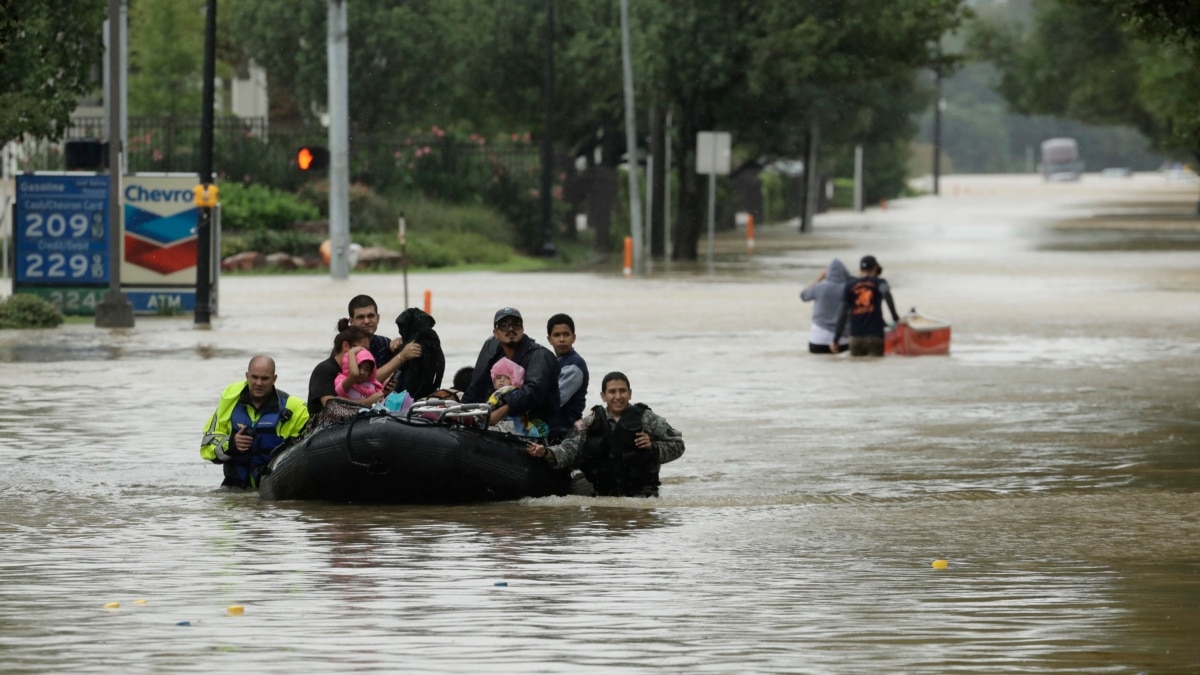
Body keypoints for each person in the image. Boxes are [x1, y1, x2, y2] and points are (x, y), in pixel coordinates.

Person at [525, 371, 684, 498]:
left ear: (630, 393)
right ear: (603, 396)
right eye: (612, 392)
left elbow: (678, 445)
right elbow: (569, 449)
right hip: (604, 497)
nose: (618, 396)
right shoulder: (589, 422)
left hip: (642, 497)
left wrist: (653, 447)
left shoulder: (648, 418)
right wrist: (546, 452)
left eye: (622, 391)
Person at [201, 355, 310, 489]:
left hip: (275, 492)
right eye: (254, 377)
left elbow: (310, 449)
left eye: (265, 378)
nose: (259, 383)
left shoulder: (295, 408)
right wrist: (231, 443)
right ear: (247, 376)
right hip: (234, 493)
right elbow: (207, 447)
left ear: (274, 379)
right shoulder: (229, 404)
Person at [462, 307, 564, 439]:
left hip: (537, 430)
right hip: (504, 424)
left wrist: (500, 413)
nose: (510, 329)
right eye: (504, 325)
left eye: (516, 324)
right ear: (496, 333)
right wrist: (462, 412)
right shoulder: (495, 356)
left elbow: (533, 392)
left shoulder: (540, 356)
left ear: (522, 329)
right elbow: (477, 387)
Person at [308, 324, 390, 416]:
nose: (365, 354)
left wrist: (383, 393)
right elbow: (330, 405)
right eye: (362, 349)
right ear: (346, 346)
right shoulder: (324, 370)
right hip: (323, 425)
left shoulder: (360, 372)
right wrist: (367, 402)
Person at [346, 295, 422, 390]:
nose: (366, 321)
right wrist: (402, 356)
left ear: (378, 318)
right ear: (351, 321)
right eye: (361, 317)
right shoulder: (345, 346)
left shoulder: (384, 343)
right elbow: (365, 381)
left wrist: (402, 342)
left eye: (371, 316)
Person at [831, 254, 900, 357]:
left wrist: (836, 339)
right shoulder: (880, 282)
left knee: (857, 370)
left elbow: (842, 314)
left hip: (855, 337)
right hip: (875, 336)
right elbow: (887, 296)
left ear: (860, 268)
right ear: (875, 268)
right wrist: (895, 317)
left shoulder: (849, 286)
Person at [799, 258, 851, 354]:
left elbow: (803, 295)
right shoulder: (848, 289)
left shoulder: (818, 287)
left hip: (817, 341)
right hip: (842, 342)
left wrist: (819, 278)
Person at [488, 358, 549, 437]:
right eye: (499, 377)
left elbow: (490, 405)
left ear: (514, 380)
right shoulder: (521, 393)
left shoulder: (502, 392)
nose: (502, 380)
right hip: (522, 424)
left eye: (507, 378)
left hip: (508, 425)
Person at [547, 313, 589, 428]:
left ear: (573, 337)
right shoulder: (555, 362)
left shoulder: (574, 366)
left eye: (566, 334)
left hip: (565, 430)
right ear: (549, 339)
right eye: (557, 335)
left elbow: (554, 402)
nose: (562, 339)